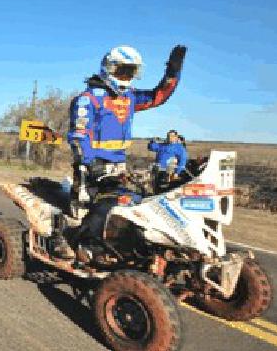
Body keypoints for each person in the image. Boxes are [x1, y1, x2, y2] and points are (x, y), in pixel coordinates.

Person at [65, 44, 187, 255]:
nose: (125, 76)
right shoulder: (89, 99)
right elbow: (78, 135)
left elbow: (158, 96)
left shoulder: (129, 97)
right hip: (92, 167)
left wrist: (172, 72)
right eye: (121, 70)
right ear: (108, 68)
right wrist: (88, 163)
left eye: (130, 72)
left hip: (118, 167)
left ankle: (121, 247)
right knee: (94, 209)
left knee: (131, 205)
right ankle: (79, 247)